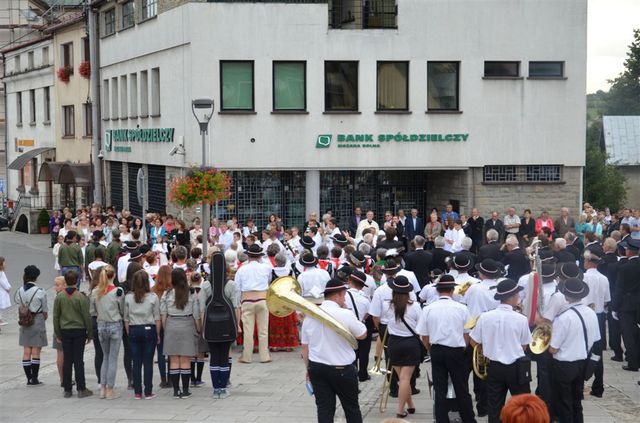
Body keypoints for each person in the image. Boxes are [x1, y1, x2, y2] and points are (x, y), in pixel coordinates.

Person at [301, 278, 367, 423]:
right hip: (342, 368)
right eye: (344, 295)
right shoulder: (345, 313)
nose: (344, 299)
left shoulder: (310, 315)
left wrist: (308, 369)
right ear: (338, 295)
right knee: (351, 408)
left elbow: (305, 347)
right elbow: (362, 334)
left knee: (324, 409)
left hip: (317, 367)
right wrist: (349, 313)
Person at [470, 278, 532, 423]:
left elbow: (473, 341)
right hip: (516, 367)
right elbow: (524, 346)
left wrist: (486, 350)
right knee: (522, 405)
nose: (518, 298)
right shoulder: (521, 319)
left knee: (495, 407)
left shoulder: (485, 317)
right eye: (517, 295)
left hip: (494, 366)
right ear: (512, 297)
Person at [417, 274, 476, 423]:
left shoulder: (429, 309)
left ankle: (441, 419)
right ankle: (468, 419)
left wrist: (430, 350)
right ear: (452, 290)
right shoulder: (462, 308)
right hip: (456, 350)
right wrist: (462, 349)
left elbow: (424, 336)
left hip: (437, 349)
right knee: (462, 388)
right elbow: (467, 334)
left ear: (437, 291)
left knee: (439, 388)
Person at [548, 278, 601, 422]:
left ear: (566, 296)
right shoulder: (591, 313)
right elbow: (596, 339)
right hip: (582, 363)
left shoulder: (564, 318)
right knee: (577, 402)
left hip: (564, 365)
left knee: (563, 404)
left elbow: (553, 349)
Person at [384, 275, 422, 418]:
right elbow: (421, 327)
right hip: (410, 343)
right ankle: (400, 410)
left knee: (402, 378)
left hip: (394, 343)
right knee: (405, 379)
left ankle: (411, 405)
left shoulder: (387, 306)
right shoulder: (415, 306)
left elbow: (380, 322)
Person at [160, 268, 201, 398]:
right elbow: (196, 314)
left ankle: (176, 390)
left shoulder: (167, 294)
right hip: (187, 324)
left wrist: (166, 328)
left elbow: (163, 314)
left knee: (173, 360)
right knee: (185, 359)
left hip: (172, 324)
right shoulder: (192, 293)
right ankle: (185, 390)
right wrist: (199, 329)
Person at [53, 270, 93, 398]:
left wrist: (58, 334)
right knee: (78, 360)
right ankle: (81, 388)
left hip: (65, 331)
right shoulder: (81, 297)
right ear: (77, 280)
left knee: (67, 360)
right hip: (79, 331)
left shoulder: (60, 297)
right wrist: (90, 333)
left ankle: (67, 389)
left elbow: (56, 317)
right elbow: (87, 316)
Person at [124, 269, 161, 400]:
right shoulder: (153, 297)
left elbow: (126, 318)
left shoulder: (128, 297)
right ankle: (148, 391)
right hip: (148, 329)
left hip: (134, 328)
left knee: (136, 361)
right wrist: (157, 333)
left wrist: (129, 332)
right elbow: (157, 317)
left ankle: (137, 391)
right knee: (148, 361)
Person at [234, 244, 272, 364]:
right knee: (263, 330)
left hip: (247, 300)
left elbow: (237, 288)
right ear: (259, 256)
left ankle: (247, 356)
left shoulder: (241, 269)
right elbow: (269, 281)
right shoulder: (266, 268)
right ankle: (264, 356)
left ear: (248, 256)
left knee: (248, 330)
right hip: (262, 299)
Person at [90, 265, 124, 400]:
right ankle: (110, 389)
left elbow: (92, 311)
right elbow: (122, 310)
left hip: (101, 325)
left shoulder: (95, 291)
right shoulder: (118, 291)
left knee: (105, 356)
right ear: (114, 275)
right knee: (113, 359)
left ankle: (103, 388)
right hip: (115, 324)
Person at [582, 244, 610, 397]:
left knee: (582, 350)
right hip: (599, 316)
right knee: (597, 353)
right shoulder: (604, 279)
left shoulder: (583, 277)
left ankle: (579, 384)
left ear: (588, 261)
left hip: (585, 315)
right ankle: (598, 386)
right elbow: (607, 300)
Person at [15, 265, 48, 386]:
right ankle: (35, 378)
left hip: (24, 321)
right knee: (36, 350)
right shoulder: (40, 291)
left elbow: (18, 302)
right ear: (36, 277)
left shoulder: (19, 290)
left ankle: (28, 378)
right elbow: (45, 310)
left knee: (26, 350)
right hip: (37, 319)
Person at [611, 238, 640, 372]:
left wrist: (614, 307)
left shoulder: (624, 268)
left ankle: (633, 363)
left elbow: (619, 289)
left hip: (627, 305)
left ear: (628, 252)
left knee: (629, 335)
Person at [344, 270, 372, 382]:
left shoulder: (343, 295)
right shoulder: (365, 299)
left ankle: (352, 375)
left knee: (351, 352)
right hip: (360, 327)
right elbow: (367, 315)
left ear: (350, 281)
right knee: (364, 351)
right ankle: (363, 374)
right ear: (361, 286)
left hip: (346, 328)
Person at [0, 257, 11, 328]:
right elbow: (2, 282)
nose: (5, 264)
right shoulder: (0, 273)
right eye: (4, 263)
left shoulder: (2, 272)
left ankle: (0, 320)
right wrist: (7, 288)